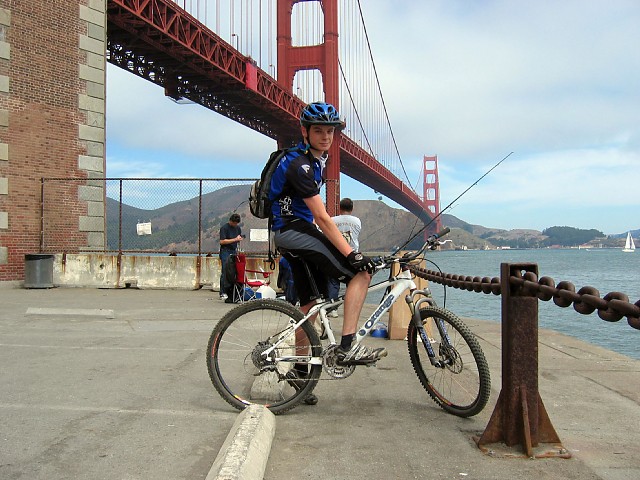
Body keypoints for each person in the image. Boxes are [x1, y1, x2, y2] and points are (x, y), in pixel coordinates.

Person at [269, 101, 387, 405]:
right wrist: (352, 254)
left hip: (288, 233)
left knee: (309, 307)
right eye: (318, 130)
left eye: (330, 131)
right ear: (304, 131)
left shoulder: (313, 160)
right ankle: (349, 345)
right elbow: (321, 218)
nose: (325, 136)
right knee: (361, 272)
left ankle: (298, 372)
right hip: (294, 230)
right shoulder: (302, 165)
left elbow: (320, 219)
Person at [327, 197, 361, 318]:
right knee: (352, 283)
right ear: (352, 209)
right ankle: (351, 311)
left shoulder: (332, 220)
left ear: (339, 208)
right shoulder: (357, 221)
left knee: (333, 282)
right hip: (352, 255)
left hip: (335, 255)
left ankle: (332, 309)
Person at [219, 213, 243, 300]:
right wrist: (235, 240)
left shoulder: (238, 228)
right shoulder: (224, 228)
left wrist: (239, 240)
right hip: (226, 251)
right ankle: (223, 292)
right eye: (234, 223)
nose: (235, 225)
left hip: (234, 251)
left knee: (233, 272)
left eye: (236, 223)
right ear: (230, 221)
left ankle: (231, 291)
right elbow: (222, 241)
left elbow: (238, 238)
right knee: (225, 271)